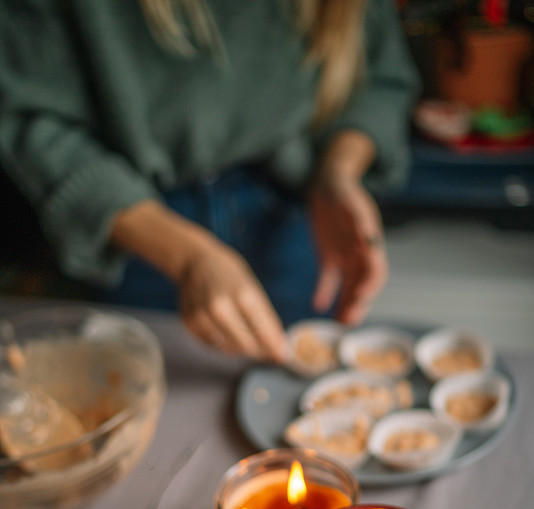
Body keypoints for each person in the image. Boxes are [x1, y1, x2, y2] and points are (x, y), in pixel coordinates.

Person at [0, 0, 419, 362]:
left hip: (297, 205)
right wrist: (186, 256)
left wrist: (338, 172)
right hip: (138, 219)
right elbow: (24, 114)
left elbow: (379, 74)